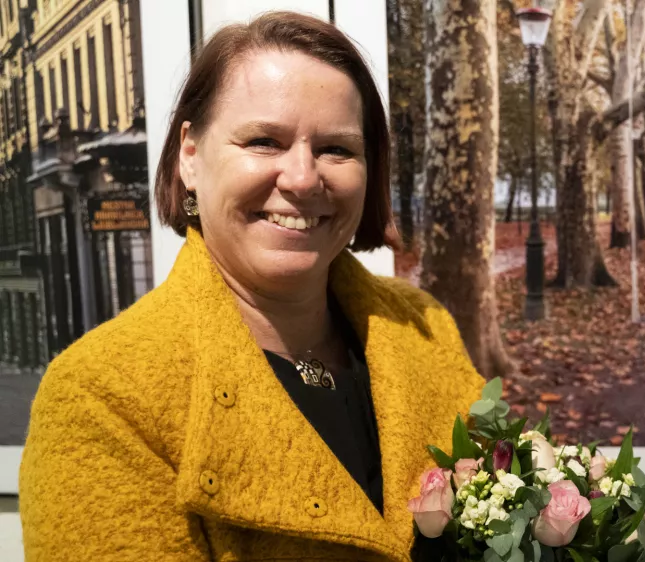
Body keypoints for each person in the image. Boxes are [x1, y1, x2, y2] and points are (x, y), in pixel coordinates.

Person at [18, 12, 484, 562]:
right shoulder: (101, 396)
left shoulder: (423, 326)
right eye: (264, 141)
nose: (304, 177)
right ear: (191, 154)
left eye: (337, 148)